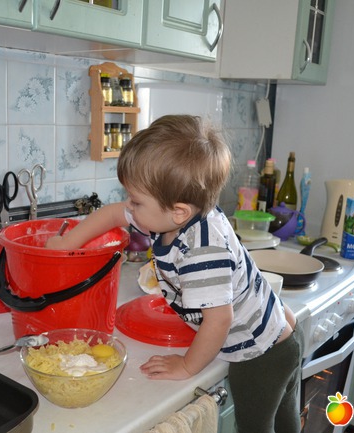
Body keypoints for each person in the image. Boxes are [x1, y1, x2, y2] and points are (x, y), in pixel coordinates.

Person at [46, 114, 303, 433]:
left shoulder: (201, 251)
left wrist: (186, 365)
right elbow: (113, 214)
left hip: (260, 356)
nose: (129, 206)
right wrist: (67, 243)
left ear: (179, 211)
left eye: (135, 201)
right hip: (279, 330)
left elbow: (219, 320)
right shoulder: (174, 213)